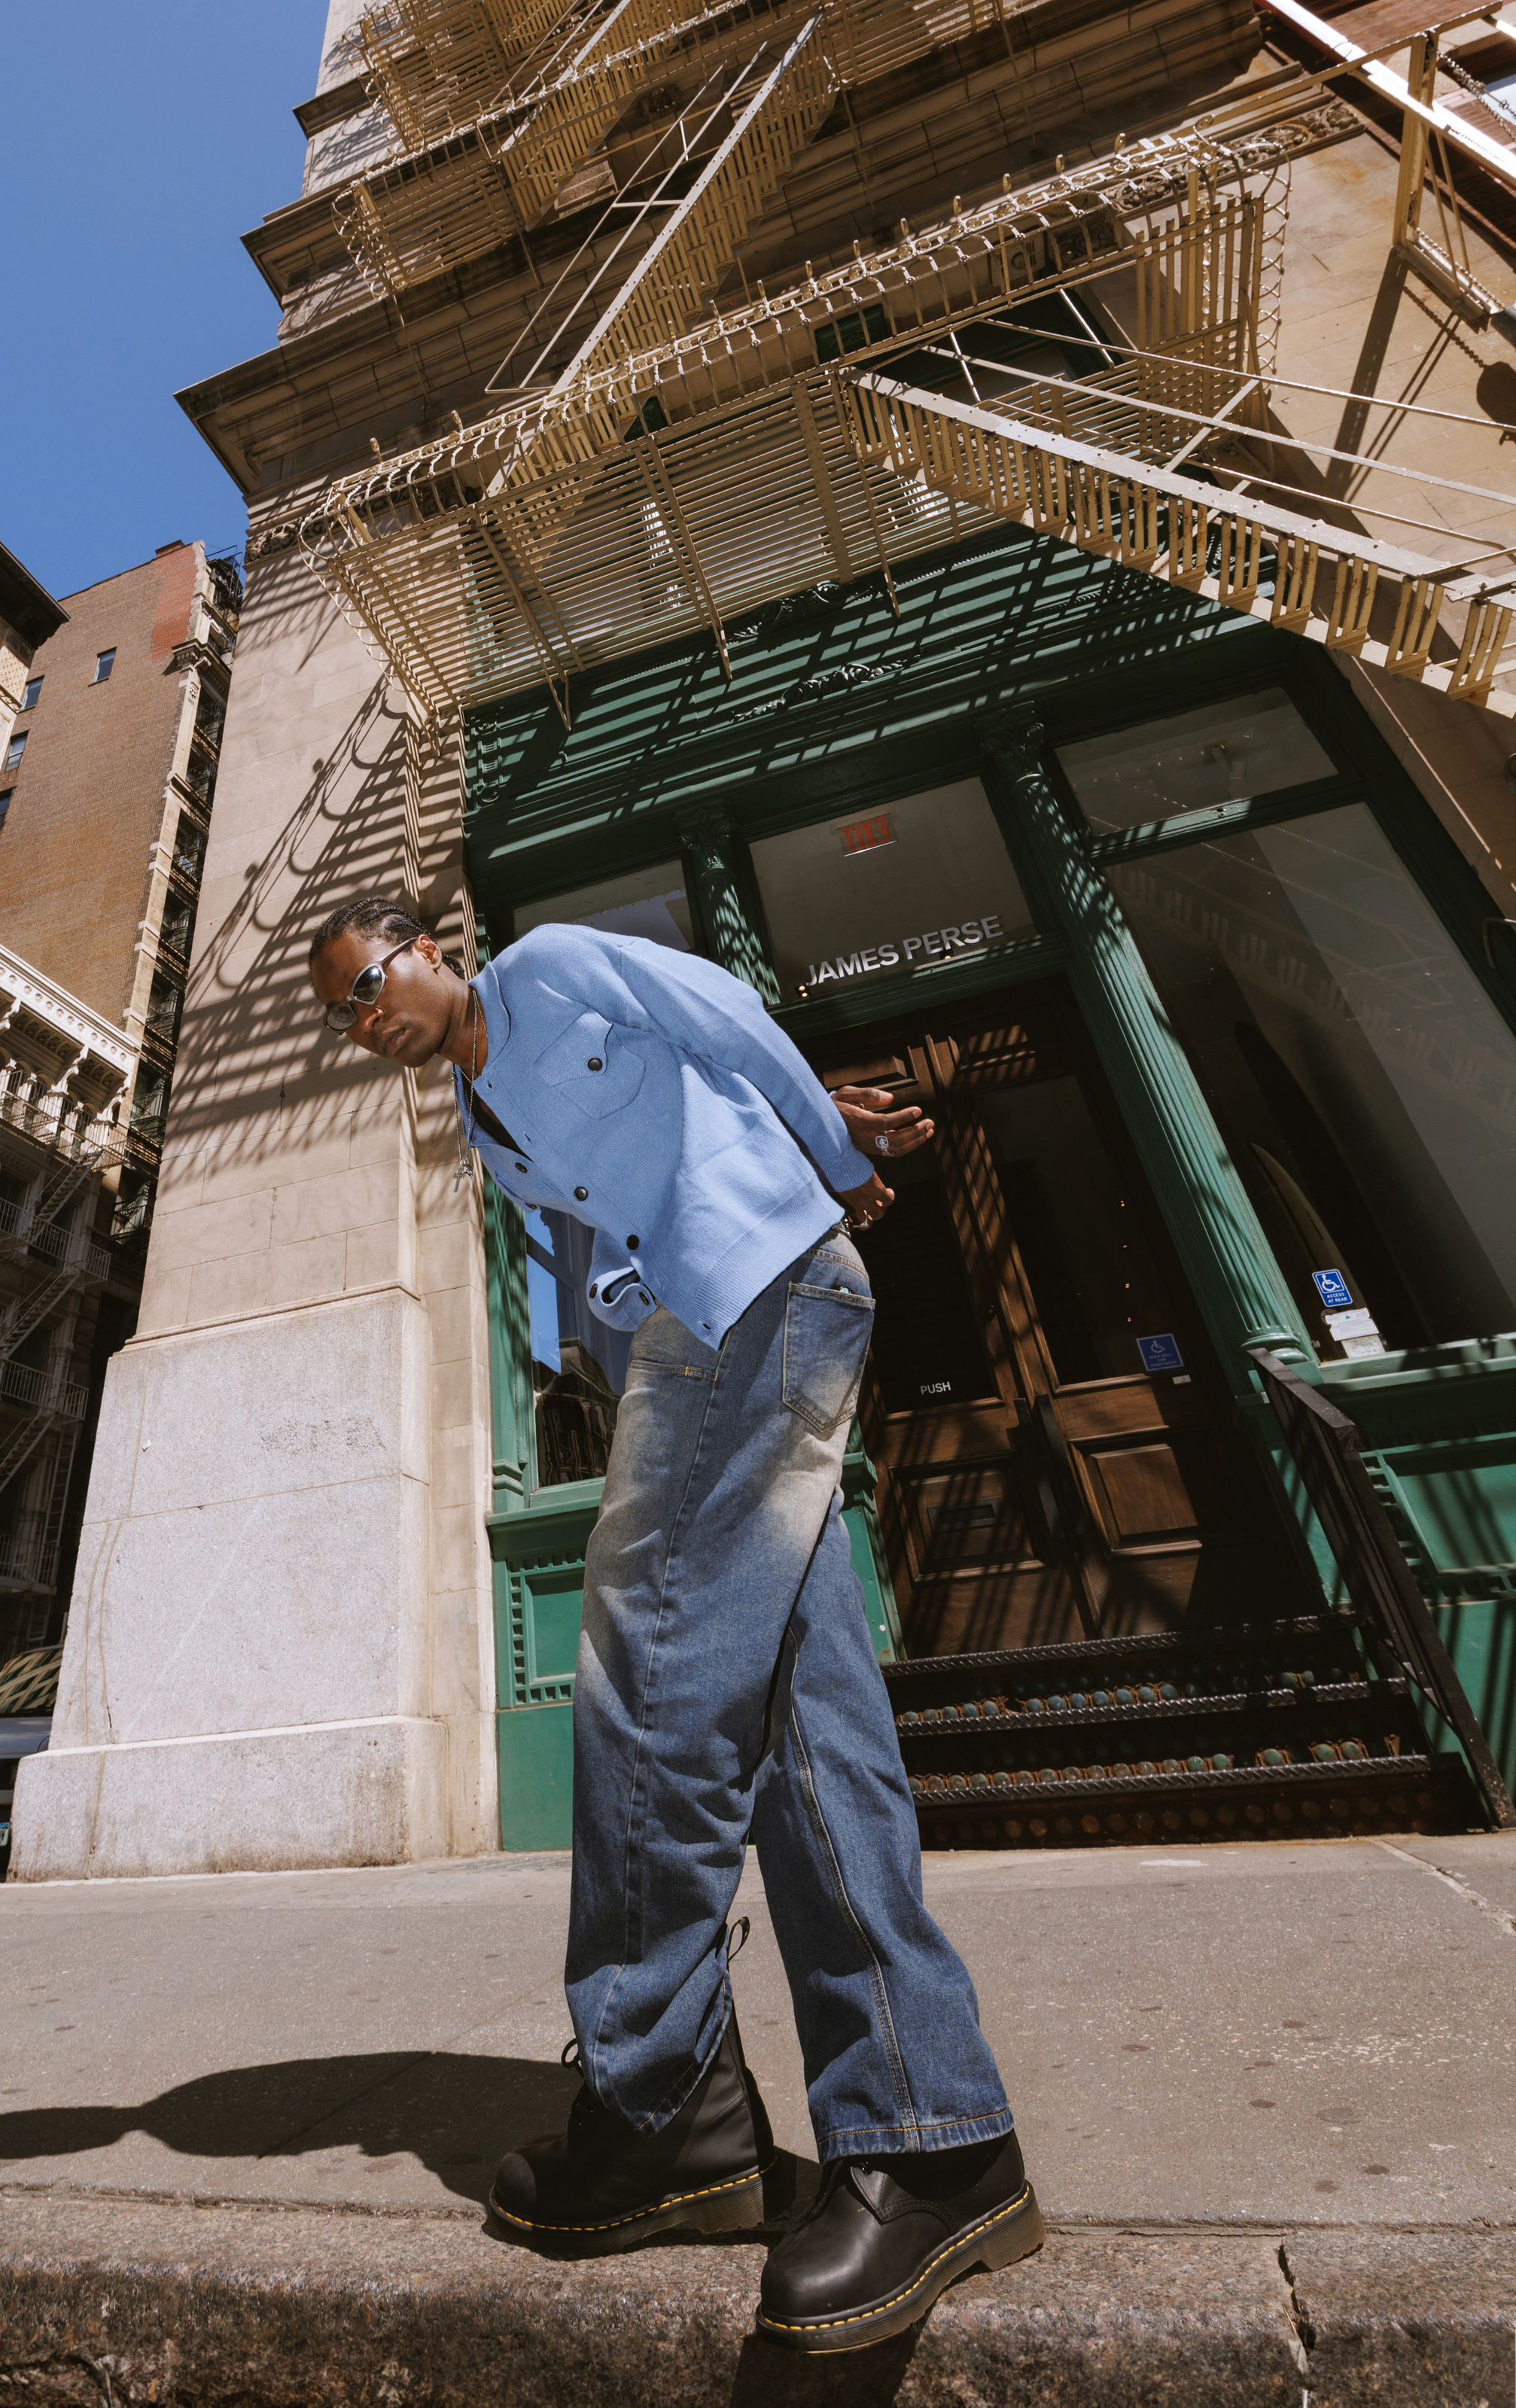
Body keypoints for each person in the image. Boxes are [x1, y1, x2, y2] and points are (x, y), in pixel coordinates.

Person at [308, 895, 1041, 2354]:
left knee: (646, 1672)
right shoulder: (477, 1111)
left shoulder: (551, 969)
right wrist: (564, 1352)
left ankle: (664, 2101)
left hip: (748, 1300)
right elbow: (580, 1233)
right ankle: (933, 2130)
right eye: (340, 1016)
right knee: (797, 1725)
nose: (361, 1019)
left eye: (363, 982)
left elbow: (723, 1018)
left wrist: (818, 1161)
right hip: (688, 1328)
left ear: (428, 947)